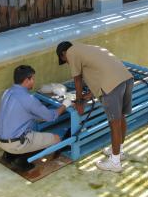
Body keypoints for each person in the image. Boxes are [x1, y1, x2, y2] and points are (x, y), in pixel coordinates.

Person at [56, 42, 134, 173]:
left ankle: (115, 162)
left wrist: (79, 101)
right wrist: (89, 94)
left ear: (63, 53)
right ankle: (118, 152)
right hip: (125, 78)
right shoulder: (88, 49)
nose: (68, 63)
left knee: (114, 123)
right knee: (120, 117)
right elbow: (100, 71)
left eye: (64, 61)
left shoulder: (71, 52)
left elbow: (77, 79)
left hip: (112, 85)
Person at [0, 65, 72, 170]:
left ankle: (9, 155)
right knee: (56, 138)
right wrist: (65, 104)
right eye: (33, 79)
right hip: (14, 144)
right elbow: (51, 117)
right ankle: (21, 160)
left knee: (32, 129)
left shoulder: (7, 92)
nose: (34, 81)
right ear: (27, 80)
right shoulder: (28, 99)